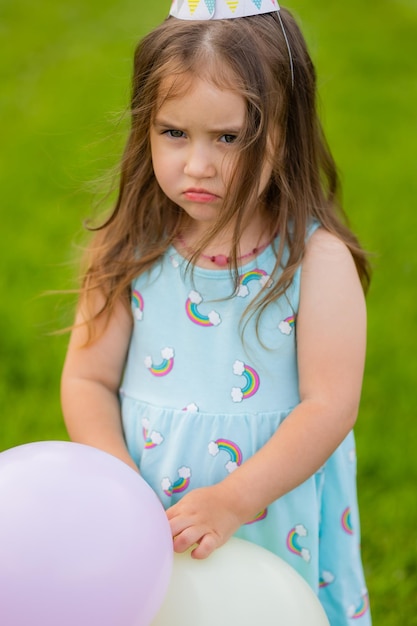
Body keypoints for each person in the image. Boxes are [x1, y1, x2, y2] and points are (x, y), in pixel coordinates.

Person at [61, 1, 372, 623]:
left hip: (267, 511)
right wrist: (124, 492)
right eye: (174, 133)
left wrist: (235, 498)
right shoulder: (130, 246)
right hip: (152, 516)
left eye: (228, 138)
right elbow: (87, 379)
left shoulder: (316, 261)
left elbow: (329, 404)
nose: (197, 165)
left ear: (285, 134)